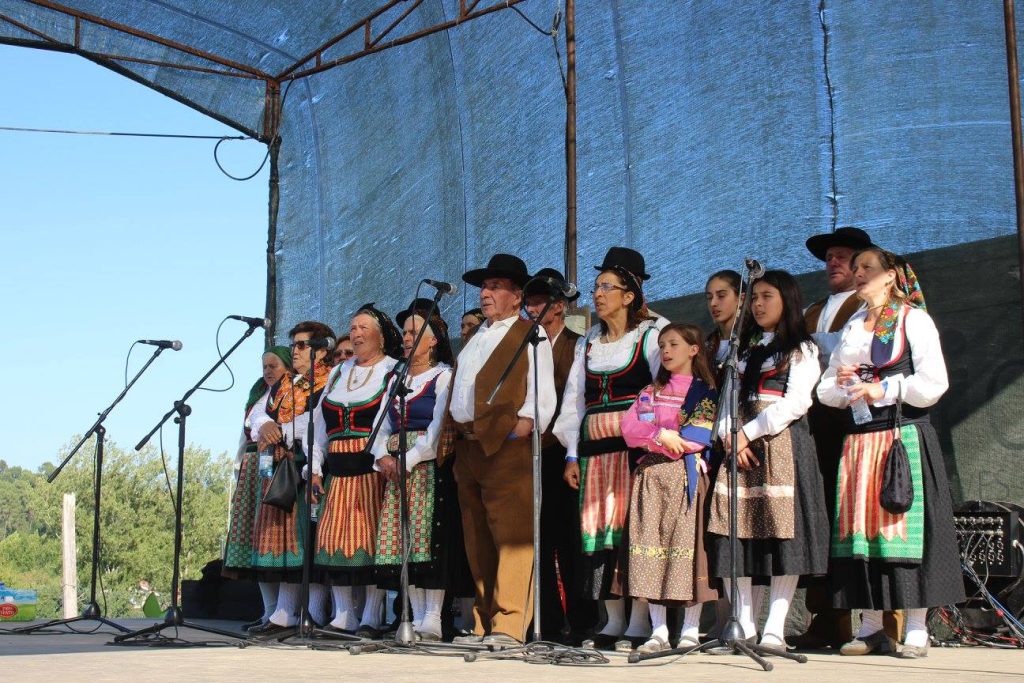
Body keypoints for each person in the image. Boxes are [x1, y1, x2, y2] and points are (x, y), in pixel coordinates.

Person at [818, 247, 964, 658]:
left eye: (867, 268)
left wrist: (884, 388)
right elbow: (824, 390)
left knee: (902, 528)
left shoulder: (911, 319)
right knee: (862, 534)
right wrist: (845, 386)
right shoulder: (851, 327)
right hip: (860, 441)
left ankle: (916, 626)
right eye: (856, 268)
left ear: (890, 276)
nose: (858, 273)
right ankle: (868, 626)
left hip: (902, 437)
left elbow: (934, 383)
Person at [706, 270, 829, 654]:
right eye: (755, 297)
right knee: (737, 536)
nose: (758, 304)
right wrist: (730, 436)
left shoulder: (802, 349)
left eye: (767, 297)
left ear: (787, 300)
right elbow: (727, 397)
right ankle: (742, 624)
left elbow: (796, 403)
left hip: (781, 446)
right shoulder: (743, 351)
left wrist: (748, 433)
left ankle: (775, 627)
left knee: (781, 536)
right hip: (740, 449)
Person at [554, 247, 667, 651]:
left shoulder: (653, 336)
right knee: (599, 533)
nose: (597, 294)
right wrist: (570, 453)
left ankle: (639, 620)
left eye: (607, 287)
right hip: (594, 453)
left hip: (635, 452)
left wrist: (653, 444)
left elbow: (664, 394)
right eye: (597, 286)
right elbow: (573, 402)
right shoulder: (589, 343)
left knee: (631, 532)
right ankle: (612, 619)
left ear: (630, 294)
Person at [796, 226, 902, 649]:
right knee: (824, 523)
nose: (835, 264)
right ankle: (829, 617)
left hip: (864, 424)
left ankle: (887, 619)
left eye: (846, 257)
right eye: (831, 258)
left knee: (878, 517)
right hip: (818, 428)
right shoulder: (813, 309)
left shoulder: (879, 311)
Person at [449, 254, 556, 646]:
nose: (485, 293)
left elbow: (542, 393)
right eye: (484, 286)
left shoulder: (532, 334)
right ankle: (483, 622)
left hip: (506, 449)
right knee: (476, 537)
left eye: (495, 286)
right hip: (469, 448)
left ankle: (510, 624)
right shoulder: (477, 335)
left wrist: (524, 424)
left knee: (512, 535)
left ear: (516, 296)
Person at [368, 300, 469, 642]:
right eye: (407, 333)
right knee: (401, 542)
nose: (408, 337)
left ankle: (433, 618)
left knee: (429, 541)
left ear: (433, 339)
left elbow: (439, 430)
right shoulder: (396, 378)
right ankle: (410, 616)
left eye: (415, 332)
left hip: (427, 467)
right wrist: (382, 456)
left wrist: (406, 459)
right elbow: (379, 427)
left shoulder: (444, 376)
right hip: (395, 467)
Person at [620, 323, 719, 653]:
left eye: (673, 344)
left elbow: (698, 437)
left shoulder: (704, 390)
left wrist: (660, 436)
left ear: (693, 349)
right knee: (651, 551)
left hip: (684, 476)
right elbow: (630, 428)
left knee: (686, 552)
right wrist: (661, 436)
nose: (665, 350)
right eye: (662, 344)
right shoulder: (651, 391)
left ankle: (690, 630)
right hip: (651, 478)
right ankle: (658, 630)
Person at [311, 305, 402, 637]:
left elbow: (392, 423)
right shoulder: (338, 372)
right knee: (334, 542)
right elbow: (320, 427)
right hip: (337, 469)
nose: (356, 333)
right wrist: (315, 469)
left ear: (380, 335)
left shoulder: (393, 371)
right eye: (352, 328)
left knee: (369, 543)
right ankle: (343, 614)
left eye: (363, 327)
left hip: (372, 468)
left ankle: (371, 616)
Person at [523, 267, 596, 643]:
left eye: (540, 300)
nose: (533, 307)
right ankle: (546, 620)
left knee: (569, 538)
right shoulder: (525, 343)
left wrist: (571, 449)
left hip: (564, 449)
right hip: (529, 452)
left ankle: (582, 620)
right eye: (530, 300)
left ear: (559, 306)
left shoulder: (577, 341)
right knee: (539, 539)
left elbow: (577, 397)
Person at [248, 321, 335, 636]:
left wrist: (278, 429)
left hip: (308, 463)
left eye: (302, 345)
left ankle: (311, 613)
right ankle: (284, 611)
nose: (296, 351)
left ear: (321, 350)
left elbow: (315, 421)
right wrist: (263, 425)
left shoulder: (330, 381)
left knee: (306, 539)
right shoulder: (287, 384)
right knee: (286, 539)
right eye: (294, 345)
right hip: (281, 464)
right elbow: (256, 413)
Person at [223, 346, 292, 628]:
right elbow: (248, 430)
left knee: (272, 538)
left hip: (275, 463)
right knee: (255, 539)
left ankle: (283, 611)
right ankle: (269, 610)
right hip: (253, 464)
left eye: (273, 365)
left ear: (287, 366)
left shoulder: (291, 394)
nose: (267, 371)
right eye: (264, 366)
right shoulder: (258, 396)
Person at [705, 270, 742, 369]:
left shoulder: (753, 339)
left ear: (741, 299)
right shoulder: (707, 345)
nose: (713, 303)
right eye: (709, 297)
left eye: (721, 296)